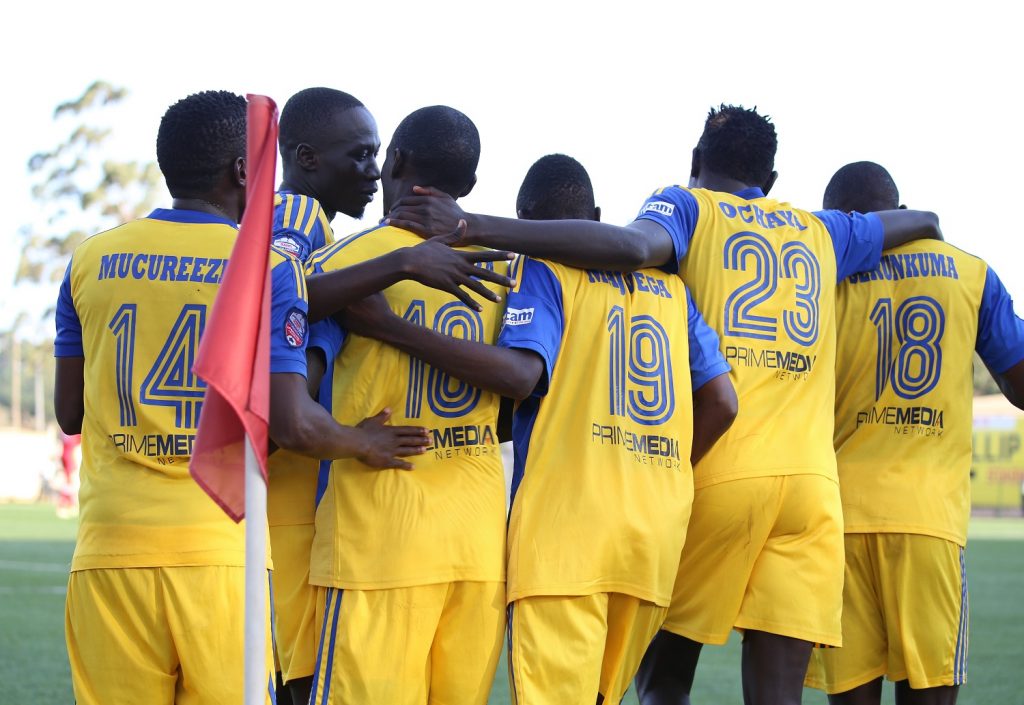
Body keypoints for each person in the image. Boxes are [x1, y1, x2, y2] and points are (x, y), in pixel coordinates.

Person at [383, 104, 944, 705]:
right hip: (811, 491)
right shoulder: (821, 230)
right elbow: (921, 219)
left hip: (713, 478)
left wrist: (473, 226)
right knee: (777, 691)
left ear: (696, 162)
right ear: (772, 181)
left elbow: (630, 247)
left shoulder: (686, 207)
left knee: (665, 678)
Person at [53, 90, 429, 705]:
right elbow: (293, 423)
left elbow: (71, 413)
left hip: (107, 551)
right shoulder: (267, 268)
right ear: (239, 172)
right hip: (220, 555)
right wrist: (364, 440)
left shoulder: (88, 259)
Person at [338, 151, 736, 705]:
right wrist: (664, 472)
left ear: (528, 223)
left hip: (567, 538)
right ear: (594, 213)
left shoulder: (541, 272)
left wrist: (388, 326)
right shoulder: (672, 292)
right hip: (653, 535)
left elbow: (522, 375)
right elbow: (722, 400)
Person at [266, 87, 512, 705]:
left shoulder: (342, 259)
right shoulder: (512, 270)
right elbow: (522, 392)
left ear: (397, 161)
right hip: (477, 540)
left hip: (377, 536)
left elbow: (279, 308)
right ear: (472, 180)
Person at [803, 161, 1024, 705]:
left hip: (838, 522)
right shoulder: (970, 273)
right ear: (899, 214)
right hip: (928, 523)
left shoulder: (819, 281)